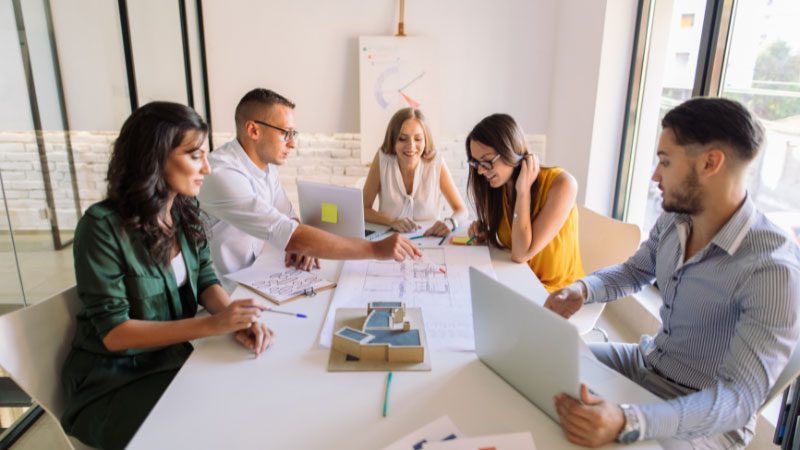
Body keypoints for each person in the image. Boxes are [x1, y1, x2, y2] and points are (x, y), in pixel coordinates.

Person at [545, 98, 800, 448]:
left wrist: (629, 420)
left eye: (665, 161)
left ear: (710, 163)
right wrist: (583, 290)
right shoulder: (676, 218)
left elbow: (738, 399)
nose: (654, 175)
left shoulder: (773, 270)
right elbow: (635, 271)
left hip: (707, 416)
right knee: (545, 365)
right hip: (646, 363)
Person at [61, 102, 274, 450]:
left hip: (171, 361)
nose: (207, 167)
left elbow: (205, 280)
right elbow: (115, 334)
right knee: (214, 430)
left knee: (252, 402)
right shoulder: (101, 227)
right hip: (111, 383)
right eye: (194, 156)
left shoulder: (186, 211)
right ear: (153, 159)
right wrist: (212, 326)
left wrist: (235, 318)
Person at [197, 89, 420, 288]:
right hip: (224, 293)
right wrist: (374, 249)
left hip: (258, 277)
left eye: (294, 134)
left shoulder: (267, 168)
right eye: (285, 133)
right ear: (253, 130)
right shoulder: (221, 174)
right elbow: (288, 233)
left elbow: (288, 218)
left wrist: (301, 246)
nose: (292, 143)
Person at [465, 113, 584, 292]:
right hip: (519, 281)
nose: (481, 171)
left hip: (558, 294)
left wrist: (523, 191)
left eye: (487, 161)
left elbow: (521, 254)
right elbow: (512, 245)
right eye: (476, 163)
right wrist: (486, 232)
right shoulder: (500, 187)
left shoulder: (563, 185)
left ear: (509, 150)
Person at [362, 107, 468, 236]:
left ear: (425, 140)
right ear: (393, 139)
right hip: (390, 241)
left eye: (418, 139)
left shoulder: (436, 163)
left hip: (429, 240)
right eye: (402, 138)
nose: (411, 146)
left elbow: (462, 210)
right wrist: (392, 221)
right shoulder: (383, 159)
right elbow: (363, 209)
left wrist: (450, 222)